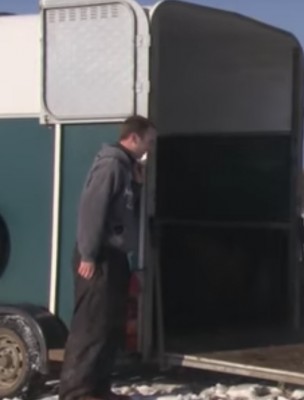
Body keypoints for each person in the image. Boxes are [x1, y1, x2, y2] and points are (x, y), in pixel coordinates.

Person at [58, 115, 157, 400]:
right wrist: (88, 255)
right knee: (91, 326)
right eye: (148, 141)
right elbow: (92, 208)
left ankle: (97, 388)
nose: (149, 148)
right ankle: (76, 392)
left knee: (108, 327)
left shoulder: (127, 169)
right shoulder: (112, 164)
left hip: (114, 257)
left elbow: (121, 211)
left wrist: (137, 185)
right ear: (134, 138)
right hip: (98, 257)